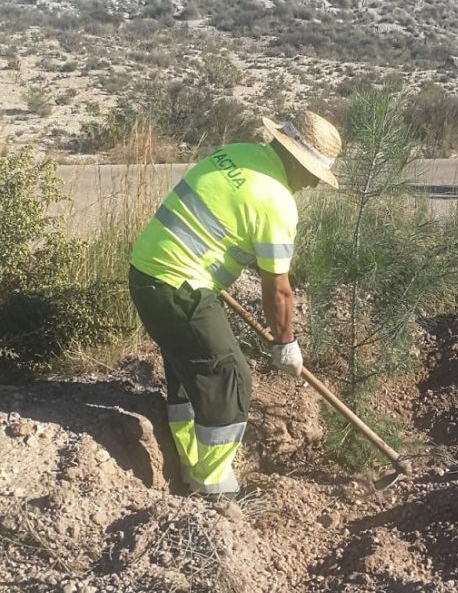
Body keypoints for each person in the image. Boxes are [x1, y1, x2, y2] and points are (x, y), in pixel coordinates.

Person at [127, 110, 341, 498]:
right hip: (178, 286)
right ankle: (214, 490)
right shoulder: (276, 202)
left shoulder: (234, 153)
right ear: (297, 159)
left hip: (146, 271)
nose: (312, 185)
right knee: (229, 375)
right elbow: (278, 290)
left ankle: (189, 468)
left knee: (191, 372)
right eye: (313, 174)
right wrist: (285, 342)